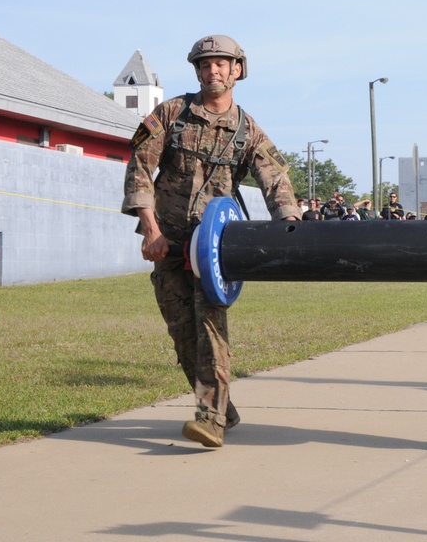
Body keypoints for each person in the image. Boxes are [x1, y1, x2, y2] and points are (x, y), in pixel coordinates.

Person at [122, 35, 301, 448]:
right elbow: (139, 168)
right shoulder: (171, 114)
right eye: (204, 64)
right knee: (183, 335)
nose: (212, 70)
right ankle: (224, 408)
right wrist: (150, 230)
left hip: (214, 248)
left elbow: (277, 182)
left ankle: (211, 419)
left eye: (221, 63)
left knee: (210, 329)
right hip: (166, 244)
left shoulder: (247, 130)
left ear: (237, 70)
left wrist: (289, 225)